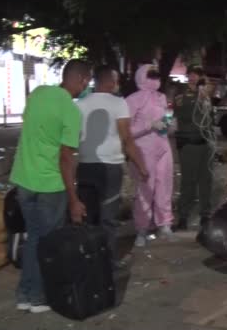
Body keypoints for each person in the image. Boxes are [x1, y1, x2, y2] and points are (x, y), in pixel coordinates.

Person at [10, 59, 91, 313]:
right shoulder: (71, 111)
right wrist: (74, 199)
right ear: (81, 80)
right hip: (49, 186)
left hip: (23, 180)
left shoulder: (38, 94)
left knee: (34, 238)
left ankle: (25, 294)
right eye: (86, 80)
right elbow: (66, 158)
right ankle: (37, 297)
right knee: (45, 243)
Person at [76, 65, 149, 265]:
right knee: (108, 217)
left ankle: (88, 260)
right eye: (116, 80)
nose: (118, 84)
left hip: (85, 167)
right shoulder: (119, 104)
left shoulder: (80, 104)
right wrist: (141, 166)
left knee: (89, 217)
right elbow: (127, 139)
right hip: (110, 169)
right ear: (109, 81)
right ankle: (107, 261)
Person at [126, 64, 175, 247]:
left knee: (165, 186)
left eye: (157, 75)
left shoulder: (161, 97)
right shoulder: (133, 99)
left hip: (163, 147)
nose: (155, 78)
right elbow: (126, 131)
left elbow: (166, 119)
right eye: (151, 75)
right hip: (143, 150)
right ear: (141, 76)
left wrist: (169, 125)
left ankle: (165, 224)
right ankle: (142, 228)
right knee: (145, 189)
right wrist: (149, 126)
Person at [174, 66, 215, 230]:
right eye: (190, 75)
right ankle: (183, 215)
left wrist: (206, 96)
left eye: (197, 75)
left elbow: (210, 117)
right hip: (189, 142)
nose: (193, 78)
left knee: (206, 180)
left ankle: (206, 214)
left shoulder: (206, 95)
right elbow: (184, 114)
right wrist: (199, 97)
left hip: (206, 142)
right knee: (188, 181)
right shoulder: (181, 94)